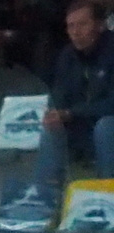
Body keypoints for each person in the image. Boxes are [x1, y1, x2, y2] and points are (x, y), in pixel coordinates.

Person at [39, 0, 114, 184]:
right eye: (71, 26)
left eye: (82, 24)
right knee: (51, 127)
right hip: (80, 124)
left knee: (105, 126)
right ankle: (44, 195)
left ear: (100, 25)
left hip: (106, 125)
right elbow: (59, 96)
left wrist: (72, 113)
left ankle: (105, 191)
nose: (76, 32)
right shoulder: (67, 56)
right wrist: (56, 113)